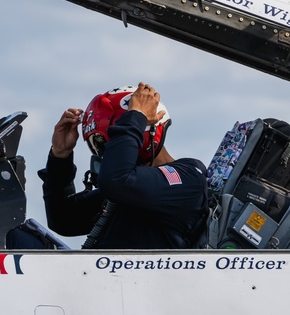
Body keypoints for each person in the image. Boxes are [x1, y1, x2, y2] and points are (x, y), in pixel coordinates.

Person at [40, 83, 209, 249]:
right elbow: (63, 219)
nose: (107, 154)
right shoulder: (126, 187)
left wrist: (135, 117)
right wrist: (61, 156)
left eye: (109, 143)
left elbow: (116, 180)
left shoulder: (188, 177)